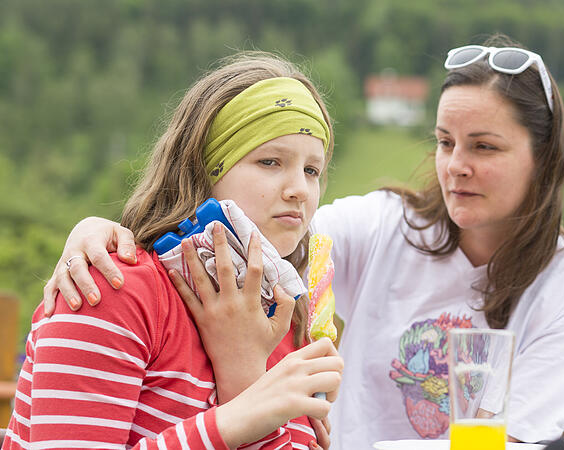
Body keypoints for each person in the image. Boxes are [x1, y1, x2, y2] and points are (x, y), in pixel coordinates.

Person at [40, 34, 564, 448]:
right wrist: (100, 230)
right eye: (444, 142)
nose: (455, 166)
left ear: (544, 159)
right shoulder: (387, 227)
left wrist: (244, 375)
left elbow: (513, 440)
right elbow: (275, 233)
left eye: (483, 147)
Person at [3, 53, 345, 449]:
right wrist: (238, 417)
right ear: (203, 170)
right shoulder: (110, 290)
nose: (300, 190)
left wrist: (244, 375)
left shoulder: (285, 323)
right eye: (270, 161)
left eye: (312, 170)